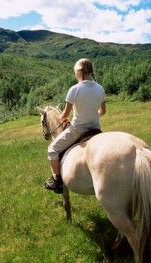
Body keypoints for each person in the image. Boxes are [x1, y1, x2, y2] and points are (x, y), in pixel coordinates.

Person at [44, 58, 106, 193]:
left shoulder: (75, 89)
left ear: (79, 72)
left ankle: (57, 182)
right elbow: (102, 112)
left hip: (79, 129)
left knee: (52, 150)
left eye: (75, 72)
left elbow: (64, 115)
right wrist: (90, 113)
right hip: (96, 128)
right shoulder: (100, 88)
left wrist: (63, 118)